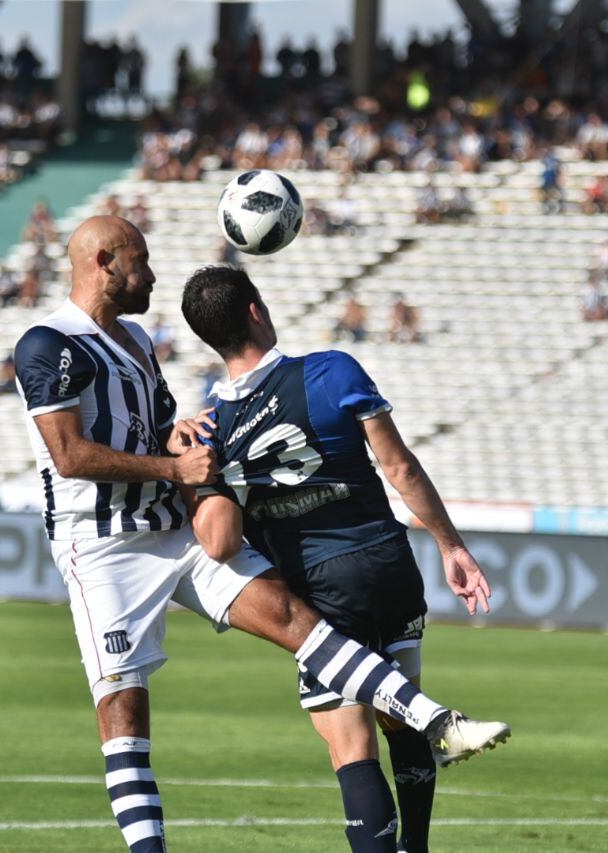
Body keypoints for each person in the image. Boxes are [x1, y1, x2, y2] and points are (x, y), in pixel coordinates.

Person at [12, 216, 508, 853]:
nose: (153, 275)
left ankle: (437, 719)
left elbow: (160, 426)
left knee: (291, 615)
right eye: (141, 261)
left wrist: (180, 436)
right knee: (123, 711)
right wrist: (173, 465)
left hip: (173, 527)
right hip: (102, 546)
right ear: (105, 260)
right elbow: (69, 456)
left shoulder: (136, 338)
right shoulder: (46, 344)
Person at [180, 265, 507, 853]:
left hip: (319, 586)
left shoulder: (210, 428)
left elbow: (221, 545)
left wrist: (197, 470)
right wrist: (450, 544)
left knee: (351, 746)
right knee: (400, 715)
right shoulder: (332, 370)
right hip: (388, 561)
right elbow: (400, 468)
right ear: (256, 310)